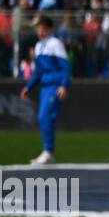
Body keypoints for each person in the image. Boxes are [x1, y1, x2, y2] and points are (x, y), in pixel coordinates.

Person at [19, 15, 70, 165]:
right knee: (45, 118)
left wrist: (63, 85)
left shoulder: (55, 44)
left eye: (42, 27)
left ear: (48, 28)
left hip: (54, 86)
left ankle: (48, 152)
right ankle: (49, 152)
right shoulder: (39, 46)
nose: (39, 31)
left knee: (44, 117)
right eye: (38, 28)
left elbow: (65, 66)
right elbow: (38, 72)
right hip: (45, 87)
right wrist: (29, 86)